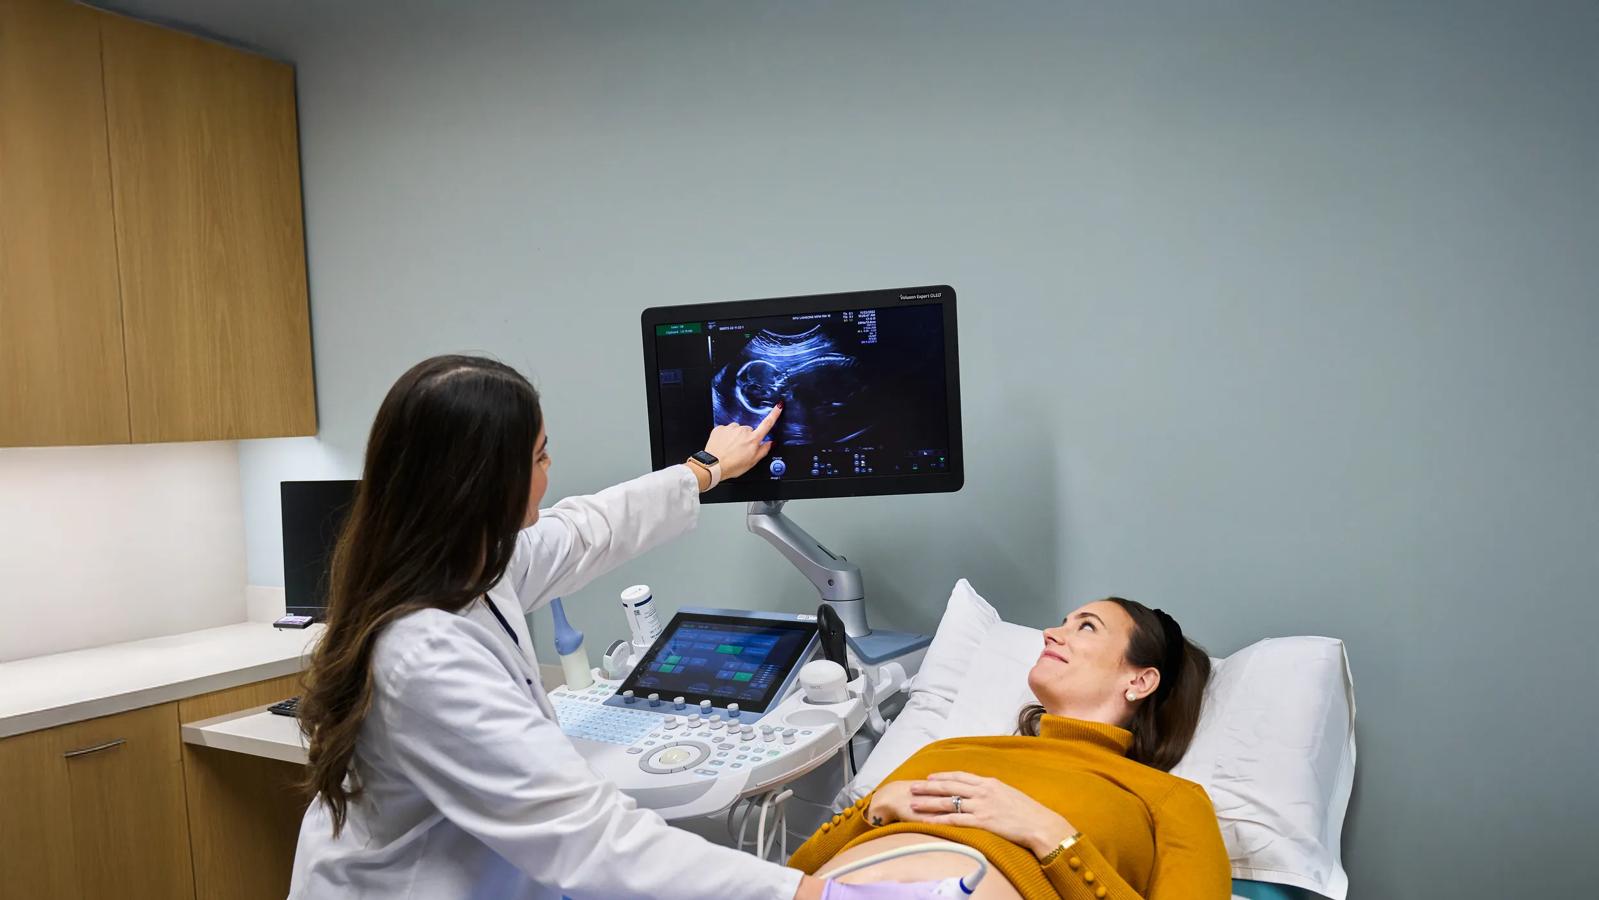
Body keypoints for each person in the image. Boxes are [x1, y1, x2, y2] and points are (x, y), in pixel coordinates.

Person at [287, 354, 836, 899]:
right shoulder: (422, 655)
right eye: (541, 455)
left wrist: (705, 468)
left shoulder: (463, 562)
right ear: (487, 482)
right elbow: (588, 837)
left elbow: (585, 531)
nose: (549, 468)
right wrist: (802, 893)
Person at [787, 598, 1232, 899]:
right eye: (1062, 622)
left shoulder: (1167, 799)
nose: (1050, 633)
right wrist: (872, 811)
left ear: (1139, 680)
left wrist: (1052, 837)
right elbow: (794, 872)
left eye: (1087, 627)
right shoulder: (949, 750)